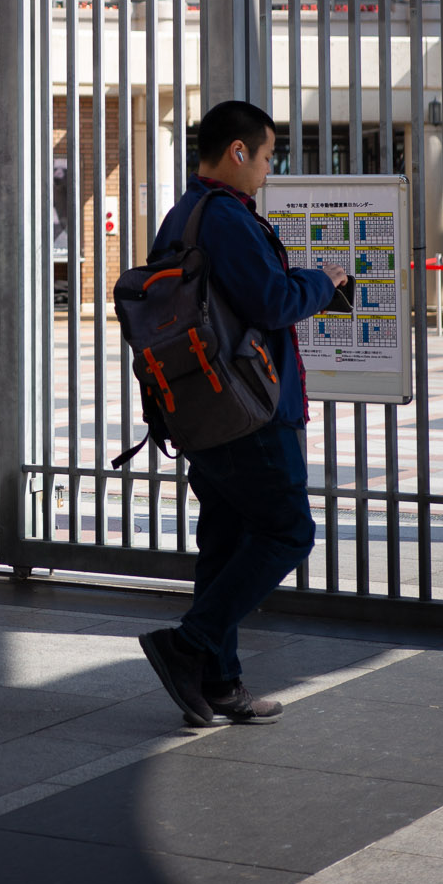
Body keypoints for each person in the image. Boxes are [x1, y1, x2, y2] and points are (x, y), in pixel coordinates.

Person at [137, 100, 347, 728]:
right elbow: (274, 300)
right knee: (288, 531)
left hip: (200, 411)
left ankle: (220, 683)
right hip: (250, 412)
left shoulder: (183, 216)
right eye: (265, 155)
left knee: (226, 542)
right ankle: (188, 645)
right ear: (237, 152)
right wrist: (324, 279)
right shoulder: (227, 218)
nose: (267, 169)